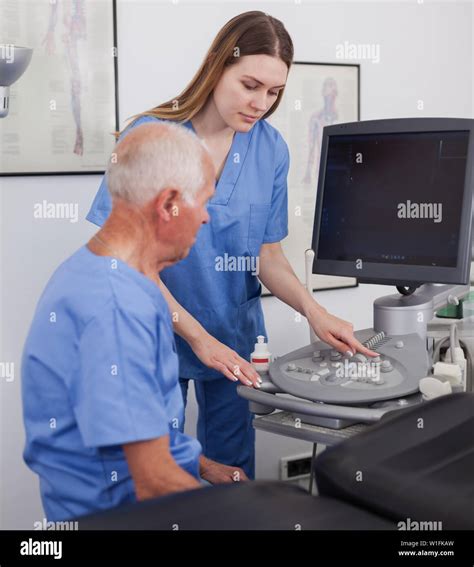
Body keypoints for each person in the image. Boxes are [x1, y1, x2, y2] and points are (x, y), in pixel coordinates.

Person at [86, 11, 377, 480]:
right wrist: (199, 340)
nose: (261, 102)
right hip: (152, 337)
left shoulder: (271, 149)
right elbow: (124, 256)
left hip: (234, 339)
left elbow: (267, 256)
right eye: (250, 85)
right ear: (218, 66)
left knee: (232, 473)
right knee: (158, 476)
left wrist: (313, 310)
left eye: (274, 92)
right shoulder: (149, 136)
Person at [22, 122, 247, 522]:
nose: (207, 219)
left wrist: (207, 468)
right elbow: (154, 481)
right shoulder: (116, 307)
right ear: (169, 205)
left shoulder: (101, 273)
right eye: (204, 202)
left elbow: (140, 437)